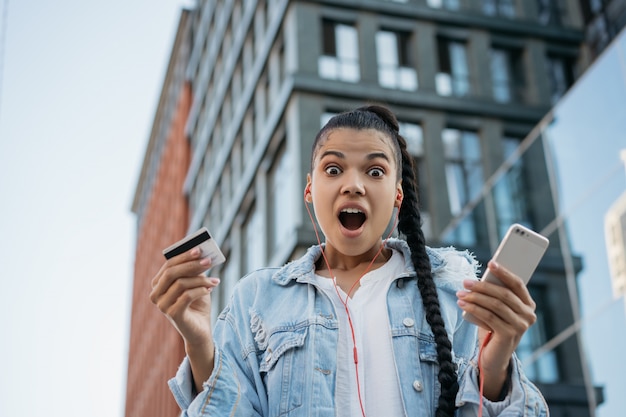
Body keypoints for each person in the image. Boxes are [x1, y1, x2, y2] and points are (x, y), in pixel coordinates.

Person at [150, 105, 549, 416]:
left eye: (375, 171)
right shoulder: (256, 299)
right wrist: (200, 345)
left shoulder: (453, 291)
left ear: (397, 195)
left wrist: (494, 371)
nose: (353, 184)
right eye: (334, 169)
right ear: (310, 189)